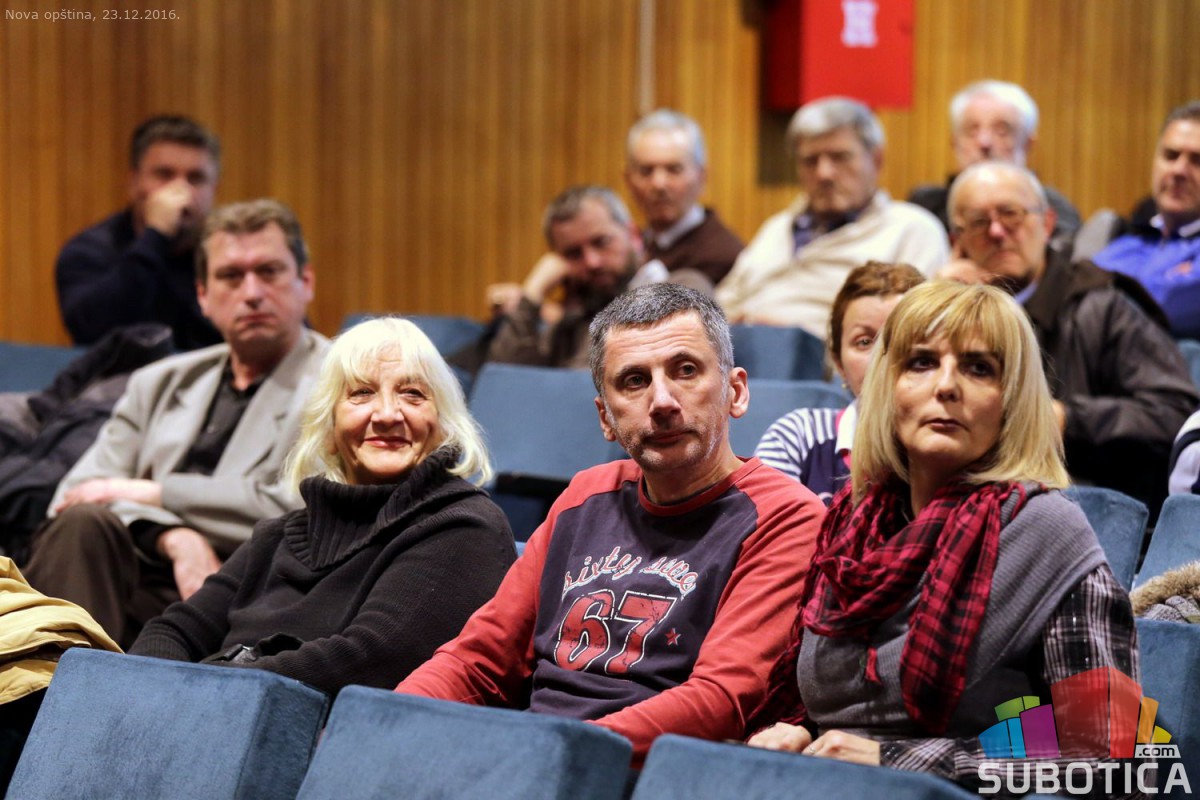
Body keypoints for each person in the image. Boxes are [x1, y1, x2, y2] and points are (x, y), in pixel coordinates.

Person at [397, 283, 825, 766]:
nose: (662, 401)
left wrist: (546, 756)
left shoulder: (786, 516)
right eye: (634, 381)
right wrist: (389, 722)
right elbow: (478, 660)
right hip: (530, 757)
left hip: (642, 773)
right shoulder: (585, 496)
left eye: (686, 370)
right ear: (605, 417)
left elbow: (720, 700)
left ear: (736, 392)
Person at [748, 281, 1139, 794]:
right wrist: (803, 732)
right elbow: (835, 719)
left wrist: (893, 759)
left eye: (979, 368)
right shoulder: (851, 525)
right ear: (888, 388)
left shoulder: (1047, 533)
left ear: (1011, 400)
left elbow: (1109, 750)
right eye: (921, 363)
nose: (947, 386)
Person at [129, 318, 515, 696]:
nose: (386, 414)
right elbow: (173, 631)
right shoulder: (278, 534)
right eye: (361, 393)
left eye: (412, 394)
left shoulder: (463, 525)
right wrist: (153, 695)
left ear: (444, 425)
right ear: (328, 430)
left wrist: (197, 688)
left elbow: (368, 658)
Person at [23, 199, 329, 649]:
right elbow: (75, 495)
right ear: (202, 295)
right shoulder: (159, 381)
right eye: (231, 276)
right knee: (82, 526)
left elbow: (301, 507)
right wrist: (170, 535)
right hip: (128, 575)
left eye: (269, 272)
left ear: (306, 282)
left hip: (245, 595)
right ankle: (53, 685)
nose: (252, 292)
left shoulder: (340, 384)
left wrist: (157, 492)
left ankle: (57, 687)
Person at [944, 161, 1197, 513]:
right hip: (965, 505)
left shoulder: (1102, 305)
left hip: (1087, 508)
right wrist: (942, 311)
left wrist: (1067, 419)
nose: (997, 231)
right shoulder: (947, 315)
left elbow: (1177, 414)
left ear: (1047, 224)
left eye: (1010, 214)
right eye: (978, 222)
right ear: (956, 242)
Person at [715, 96, 947, 337]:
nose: (824, 173)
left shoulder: (913, 229)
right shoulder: (777, 227)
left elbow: (912, 333)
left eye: (839, 157)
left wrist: (794, 337)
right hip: (742, 349)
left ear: (876, 160)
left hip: (826, 356)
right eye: (810, 161)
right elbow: (725, 301)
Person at [755, 262, 924, 504]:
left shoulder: (945, 442)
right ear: (839, 364)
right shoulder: (798, 437)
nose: (881, 357)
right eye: (864, 342)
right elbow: (769, 526)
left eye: (899, 336)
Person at [56, 115, 223, 351]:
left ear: (214, 189)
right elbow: (91, 331)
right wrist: (156, 236)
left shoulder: (230, 253)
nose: (181, 190)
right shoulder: (88, 251)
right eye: (164, 175)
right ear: (134, 182)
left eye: (196, 178)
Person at [908, 80, 1080, 253]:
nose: (984, 142)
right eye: (972, 130)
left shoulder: (1056, 211)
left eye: (1002, 131)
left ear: (1027, 144)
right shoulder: (925, 208)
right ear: (954, 143)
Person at [483, 185, 645, 369]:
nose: (592, 262)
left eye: (601, 242)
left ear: (633, 235)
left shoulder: (667, 294)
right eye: (574, 253)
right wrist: (532, 293)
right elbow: (504, 377)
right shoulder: (573, 321)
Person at [1093, 100, 1200, 339]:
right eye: (1171, 156)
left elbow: (1170, 307)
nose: (1179, 170)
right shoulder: (1124, 243)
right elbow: (1071, 298)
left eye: (1197, 160)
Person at [625, 109, 744, 285]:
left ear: (701, 177)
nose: (659, 183)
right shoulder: (632, 248)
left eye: (674, 169)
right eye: (646, 171)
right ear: (628, 180)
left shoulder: (724, 257)